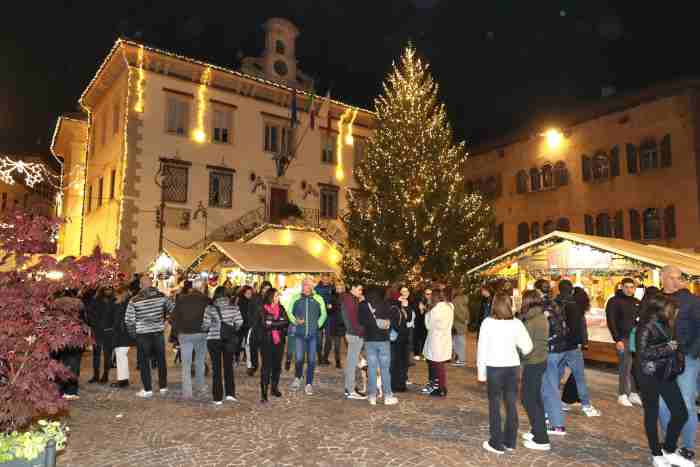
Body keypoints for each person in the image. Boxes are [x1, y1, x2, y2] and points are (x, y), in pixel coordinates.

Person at [635, 294, 692, 467]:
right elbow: (642, 353)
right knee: (651, 413)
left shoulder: (666, 323)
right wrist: (668, 348)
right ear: (659, 309)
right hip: (648, 374)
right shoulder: (645, 326)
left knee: (681, 412)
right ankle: (656, 452)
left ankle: (668, 448)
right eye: (670, 308)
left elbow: (672, 344)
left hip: (666, 373)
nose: (674, 311)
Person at [478, 292, 533, 455]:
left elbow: (482, 350)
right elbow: (528, 347)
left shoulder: (487, 323)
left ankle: (496, 442)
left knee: (494, 405)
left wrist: (481, 374)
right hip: (512, 367)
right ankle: (510, 441)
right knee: (511, 404)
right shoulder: (516, 324)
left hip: (494, 367)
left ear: (494, 305)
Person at [659, 265, 700, 462]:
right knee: (662, 404)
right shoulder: (655, 299)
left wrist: (691, 353)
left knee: (686, 403)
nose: (676, 281)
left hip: (687, 360)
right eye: (672, 278)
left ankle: (688, 447)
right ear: (662, 278)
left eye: (679, 278)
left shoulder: (692, 301)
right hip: (662, 359)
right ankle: (670, 444)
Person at [125, 275, 175, 398]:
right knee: (161, 360)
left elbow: (129, 320)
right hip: (158, 333)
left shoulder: (134, 300)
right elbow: (173, 309)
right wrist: (165, 320)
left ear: (141, 285)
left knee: (143, 362)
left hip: (142, 334)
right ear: (152, 284)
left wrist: (134, 335)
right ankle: (163, 387)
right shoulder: (161, 296)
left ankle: (147, 389)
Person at [518, 290, 551, 451]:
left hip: (534, 362)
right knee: (534, 398)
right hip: (539, 360)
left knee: (528, 399)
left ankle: (541, 439)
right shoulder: (538, 316)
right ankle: (536, 430)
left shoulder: (532, 320)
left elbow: (525, 345)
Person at [285, 277, 327, 395]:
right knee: (298, 359)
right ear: (302, 286)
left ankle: (309, 383)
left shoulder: (318, 298)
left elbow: (323, 314)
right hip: (299, 334)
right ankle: (298, 377)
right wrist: (295, 321)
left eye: (309, 285)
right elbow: (289, 312)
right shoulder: (296, 298)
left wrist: (317, 325)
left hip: (313, 335)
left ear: (312, 286)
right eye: (304, 285)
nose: (306, 287)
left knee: (312, 360)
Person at [202, 286, 243, 405]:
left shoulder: (209, 308)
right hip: (228, 340)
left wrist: (207, 328)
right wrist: (231, 329)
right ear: (226, 294)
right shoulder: (233, 307)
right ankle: (230, 394)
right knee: (228, 367)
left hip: (213, 340)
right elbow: (239, 322)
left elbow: (206, 325)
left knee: (216, 368)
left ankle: (217, 397)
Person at [605, 277, 642, 407]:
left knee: (634, 367)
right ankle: (622, 394)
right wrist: (617, 339)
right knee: (625, 367)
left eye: (632, 287)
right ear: (621, 287)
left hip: (635, 339)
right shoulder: (614, 301)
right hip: (623, 338)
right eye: (626, 287)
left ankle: (633, 393)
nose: (629, 289)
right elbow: (611, 321)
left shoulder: (637, 302)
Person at [170, 280, 210, 399]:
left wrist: (177, 332)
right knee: (200, 361)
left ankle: (187, 392)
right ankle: (200, 387)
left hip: (185, 334)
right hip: (201, 334)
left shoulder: (182, 299)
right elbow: (210, 318)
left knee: (186, 364)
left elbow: (173, 318)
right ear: (202, 288)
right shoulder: (206, 300)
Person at [358, 287, 398, 406]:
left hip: (369, 340)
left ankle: (372, 396)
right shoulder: (384, 304)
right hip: (383, 340)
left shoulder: (363, 305)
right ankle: (387, 396)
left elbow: (360, 321)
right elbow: (391, 318)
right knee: (385, 369)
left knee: (371, 368)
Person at [54, 289, 89, 400]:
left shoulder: (54, 304)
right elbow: (85, 321)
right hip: (76, 338)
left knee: (58, 364)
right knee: (74, 364)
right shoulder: (79, 303)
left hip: (58, 338)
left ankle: (59, 389)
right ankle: (71, 391)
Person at [258, 288, 289, 403]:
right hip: (266, 342)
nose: (278, 298)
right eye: (276, 296)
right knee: (266, 367)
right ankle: (264, 392)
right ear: (270, 296)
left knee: (277, 366)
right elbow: (264, 324)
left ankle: (274, 388)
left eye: (278, 296)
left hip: (278, 342)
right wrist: (278, 323)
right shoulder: (262, 309)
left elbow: (286, 322)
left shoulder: (281, 308)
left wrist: (272, 323)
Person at [423, 289, 454, 397]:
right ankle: (440, 386)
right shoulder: (449, 306)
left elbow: (428, 325)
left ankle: (440, 388)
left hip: (436, 339)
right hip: (445, 337)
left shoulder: (435, 309)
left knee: (437, 364)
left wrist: (427, 312)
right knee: (440, 364)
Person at [342, 283, 367, 399]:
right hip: (354, 334)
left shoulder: (351, 299)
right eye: (359, 289)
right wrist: (361, 331)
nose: (361, 291)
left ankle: (350, 387)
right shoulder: (349, 299)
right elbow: (353, 319)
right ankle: (350, 390)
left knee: (352, 362)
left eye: (361, 290)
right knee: (352, 363)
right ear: (352, 288)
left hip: (353, 333)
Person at [89, 286, 118, 384]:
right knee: (96, 354)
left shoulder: (114, 301)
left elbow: (117, 316)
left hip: (109, 331)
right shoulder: (95, 300)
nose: (108, 291)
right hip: (97, 331)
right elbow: (90, 314)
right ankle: (96, 375)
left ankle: (105, 375)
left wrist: (113, 327)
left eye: (110, 289)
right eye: (106, 289)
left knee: (107, 355)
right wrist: (93, 325)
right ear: (102, 290)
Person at [111, 283, 135, 388]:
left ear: (121, 294)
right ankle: (123, 379)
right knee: (121, 357)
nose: (115, 296)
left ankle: (123, 380)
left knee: (121, 357)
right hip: (124, 333)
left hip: (122, 334)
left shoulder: (123, 305)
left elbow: (118, 320)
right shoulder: (126, 303)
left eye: (117, 294)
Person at [390, 286, 414, 392]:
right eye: (402, 292)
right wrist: (403, 306)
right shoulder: (395, 305)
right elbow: (399, 321)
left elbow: (408, 318)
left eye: (406, 291)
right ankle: (396, 385)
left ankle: (401, 383)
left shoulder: (408, 303)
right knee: (397, 361)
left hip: (404, 337)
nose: (405, 293)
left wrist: (406, 306)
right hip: (398, 338)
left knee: (403, 361)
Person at [245, 281, 271, 376]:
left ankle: (265, 368)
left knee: (265, 350)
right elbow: (250, 311)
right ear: (261, 288)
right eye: (265, 288)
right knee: (253, 349)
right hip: (255, 327)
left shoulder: (271, 299)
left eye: (268, 289)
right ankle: (254, 366)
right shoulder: (255, 298)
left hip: (266, 328)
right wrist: (251, 323)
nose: (266, 291)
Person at [321, 282, 345, 368]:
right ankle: (325, 358)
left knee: (337, 344)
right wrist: (330, 307)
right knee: (328, 342)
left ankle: (338, 361)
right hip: (331, 322)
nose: (339, 288)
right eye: (337, 286)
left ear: (343, 287)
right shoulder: (331, 296)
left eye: (340, 286)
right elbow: (328, 309)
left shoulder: (345, 297)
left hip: (340, 323)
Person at [315, 275, 335, 365]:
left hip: (330, 317)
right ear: (321, 278)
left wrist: (332, 306)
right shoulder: (316, 288)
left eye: (327, 279)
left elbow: (336, 300)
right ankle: (319, 358)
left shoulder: (333, 288)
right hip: (319, 316)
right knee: (318, 339)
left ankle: (325, 358)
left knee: (329, 338)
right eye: (324, 279)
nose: (326, 280)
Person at [452, 287, 469, 366]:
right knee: (460, 342)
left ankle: (461, 360)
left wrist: (462, 320)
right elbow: (467, 311)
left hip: (457, 324)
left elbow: (455, 313)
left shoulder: (456, 300)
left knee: (458, 342)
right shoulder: (465, 299)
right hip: (463, 323)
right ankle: (460, 359)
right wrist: (466, 320)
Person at [413, 287, 432, 360]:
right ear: (424, 294)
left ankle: (425, 354)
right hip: (419, 322)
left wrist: (424, 308)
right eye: (427, 294)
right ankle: (417, 353)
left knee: (426, 338)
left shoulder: (433, 302)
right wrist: (421, 309)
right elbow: (419, 312)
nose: (429, 295)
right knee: (417, 338)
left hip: (428, 323)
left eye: (430, 294)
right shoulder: (420, 301)